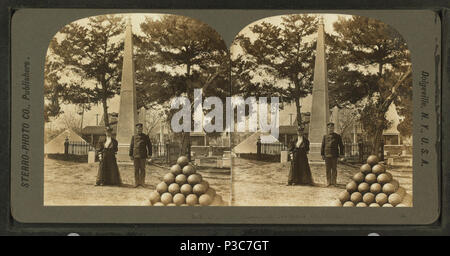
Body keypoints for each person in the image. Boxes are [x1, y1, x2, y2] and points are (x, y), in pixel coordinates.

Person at [321, 122, 345, 186]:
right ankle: (328, 182)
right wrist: (322, 154)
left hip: (334, 155)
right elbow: (323, 146)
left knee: (334, 169)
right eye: (329, 128)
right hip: (327, 155)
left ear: (333, 128)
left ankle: (334, 181)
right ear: (327, 128)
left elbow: (341, 145)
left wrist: (341, 154)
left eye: (332, 128)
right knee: (328, 169)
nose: (331, 129)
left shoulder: (337, 136)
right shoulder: (325, 136)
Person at [129, 123, 152, 188]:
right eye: (138, 128)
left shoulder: (145, 136)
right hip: (135, 155)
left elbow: (149, 146)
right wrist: (130, 154)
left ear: (142, 129)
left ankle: (142, 182)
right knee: (136, 169)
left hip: (143, 156)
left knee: (142, 169)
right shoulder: (133, 137)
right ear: (136, 129)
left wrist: (150, 154)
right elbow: (131, 146)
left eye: (140, 128)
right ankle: (136, 182)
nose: (139, 130)